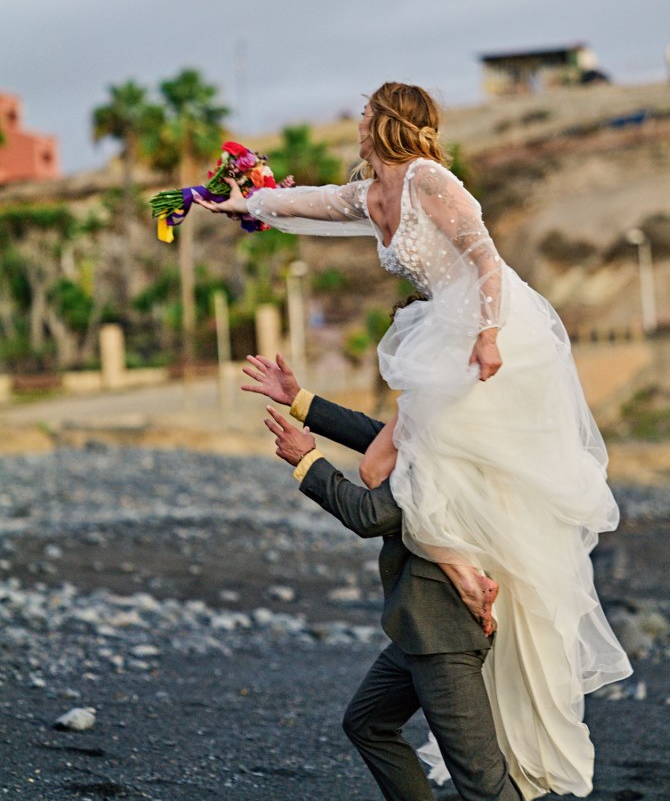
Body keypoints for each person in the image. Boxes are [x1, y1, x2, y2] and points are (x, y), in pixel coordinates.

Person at [194, 82, 632, 798]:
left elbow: (484, 257)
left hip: (484, 332)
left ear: (388, 121)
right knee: (420, 465)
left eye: (367, 110)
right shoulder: (371, 194)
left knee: (393, 472)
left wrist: (489, 334)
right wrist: (244, 202)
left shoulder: (428, 178)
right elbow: (308, 202)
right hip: (441, 332)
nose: (357, 119)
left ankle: (463, 576)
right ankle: (467, 573)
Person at [246, 351, 523, 801]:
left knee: (482, 783)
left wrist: (308, 461)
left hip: (444, 634)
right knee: (368, 724)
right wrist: (299, 400)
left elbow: (371, 515)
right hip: (419, 627)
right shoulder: (443, 425)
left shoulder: (445, 448)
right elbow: (380, 438)